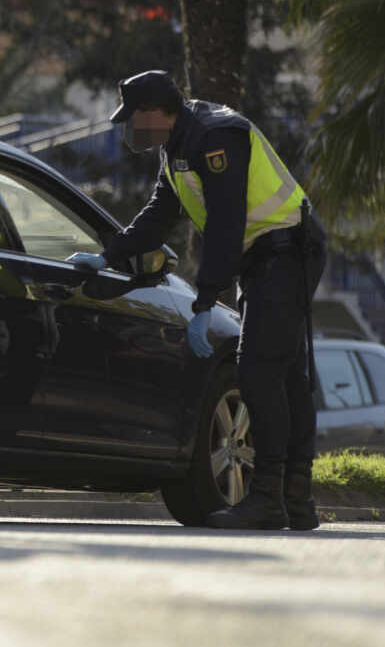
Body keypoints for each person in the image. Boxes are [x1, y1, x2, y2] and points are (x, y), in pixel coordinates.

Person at [66, 70, 327, 530]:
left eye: (133, 119)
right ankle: (295, 497)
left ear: (154, 112)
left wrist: (206, 302)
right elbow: (159, 215)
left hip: (287, 250)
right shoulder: (177, 148)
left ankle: (269, 496)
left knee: (261, 370)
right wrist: (107, 255)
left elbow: (226, 222)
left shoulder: (215, 135)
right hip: (266, 256)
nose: (131, 129)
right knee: (283, 372)